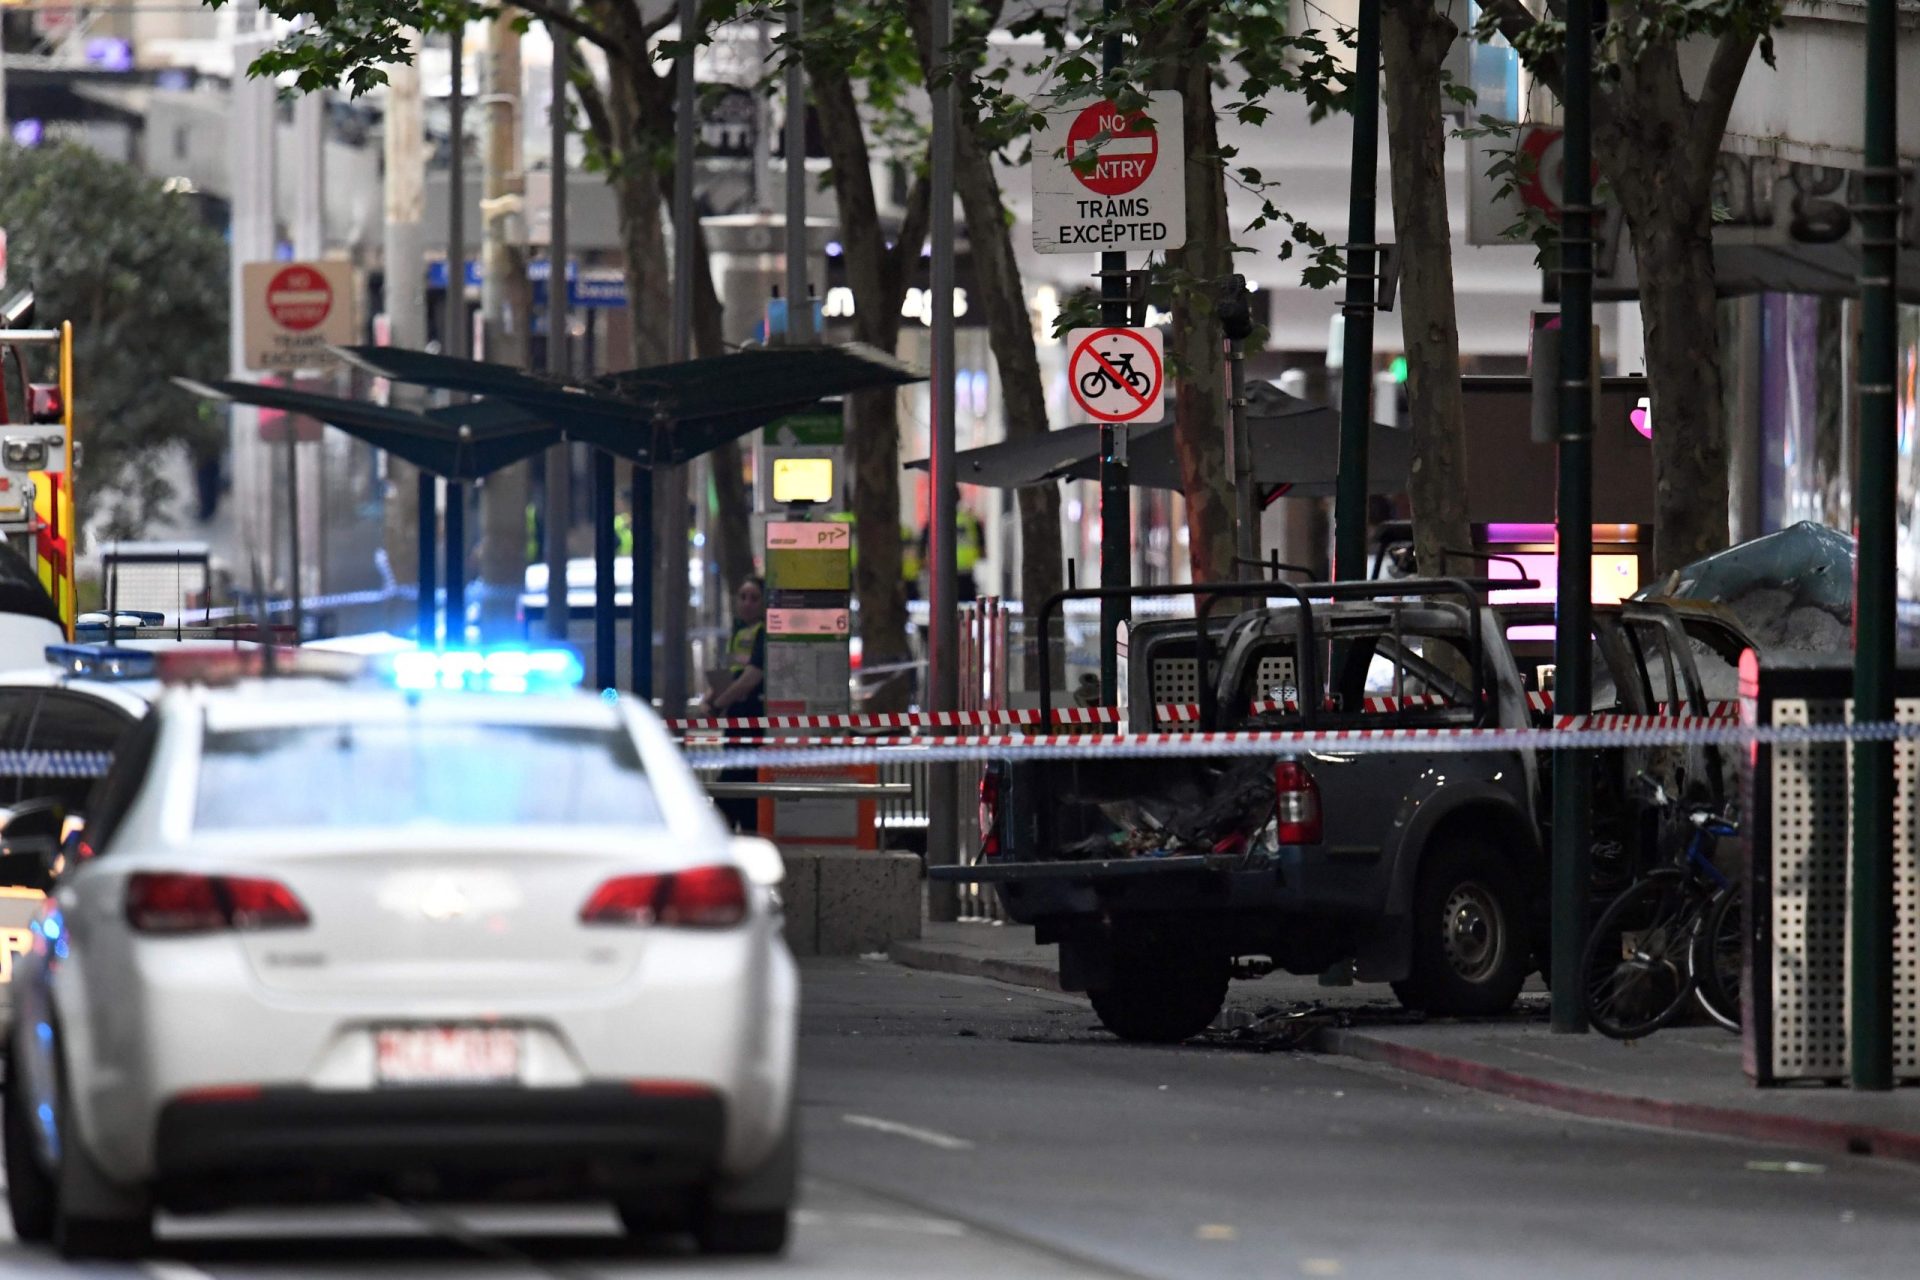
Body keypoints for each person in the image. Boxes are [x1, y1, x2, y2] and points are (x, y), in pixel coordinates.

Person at [702, 576, 767, 832]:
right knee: (739, 777)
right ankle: (738, 831)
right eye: (743, 597)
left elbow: (751, 676)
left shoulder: (764, 632)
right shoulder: (738, 632)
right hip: (735, 717)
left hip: (752, 715)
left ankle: (721, 831)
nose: (747, 603)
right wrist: (709, 699)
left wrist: (718, 702)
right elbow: (731, 673)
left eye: (754, 598)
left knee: (737, 779)